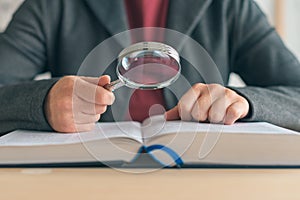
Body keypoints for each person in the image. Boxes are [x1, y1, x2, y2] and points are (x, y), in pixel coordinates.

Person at [0, 0, 299, 135]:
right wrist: (43, 103)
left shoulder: (230, 5)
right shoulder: (50, 5)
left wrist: (244, 103)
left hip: (202, 182)